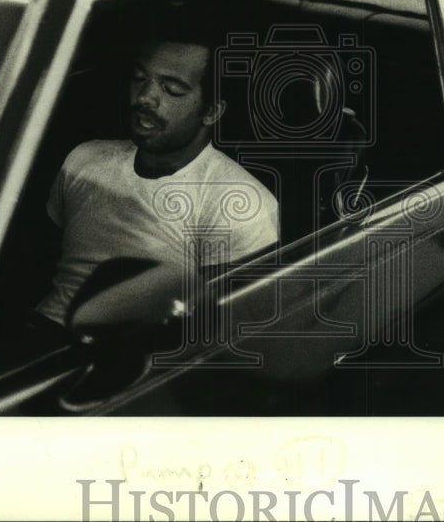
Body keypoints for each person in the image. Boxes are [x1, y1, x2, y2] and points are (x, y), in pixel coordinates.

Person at [32, 33, 279, 336]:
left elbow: (222, 327)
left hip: (128, 358)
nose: (144, 97)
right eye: (139, 79)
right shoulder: (84, 159)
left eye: (172, 89)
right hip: (40, 336)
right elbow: (40, 261)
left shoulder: (239, 202)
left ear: (212, 111)